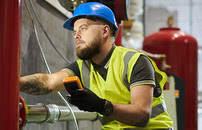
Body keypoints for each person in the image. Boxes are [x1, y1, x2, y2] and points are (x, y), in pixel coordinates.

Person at [20, 2, 173, 130]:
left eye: (83, 28)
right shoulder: (83, 67)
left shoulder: (135, 61)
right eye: (74, 31)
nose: (76, 35)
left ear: (105, 31)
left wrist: (101, 105)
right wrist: (13, 83)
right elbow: (48, 82)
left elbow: (142, 116)